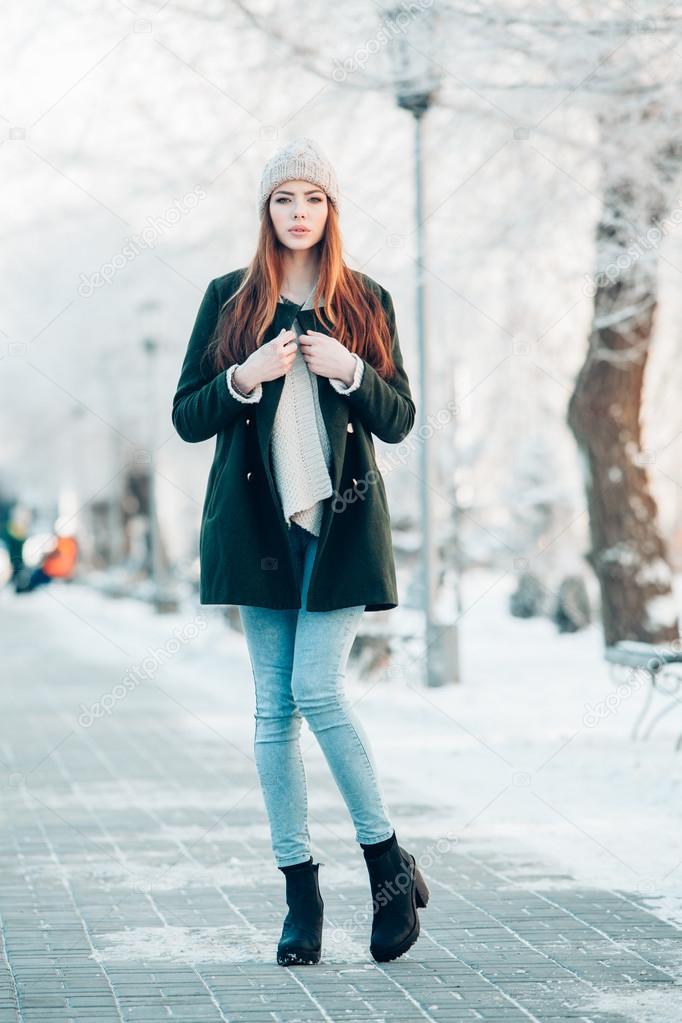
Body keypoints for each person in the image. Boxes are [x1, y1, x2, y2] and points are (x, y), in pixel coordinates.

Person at [171, 136, 429, 966]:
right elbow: (187, 414)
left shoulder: (366, 300)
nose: (298, 213)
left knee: (317, 689)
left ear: (331, 209)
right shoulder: (229, 299)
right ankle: (300, 894)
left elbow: (398, 418)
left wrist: (352, 368)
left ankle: (387, 865)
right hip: (257, 529)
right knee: (271, 711)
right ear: (266, 211)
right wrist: (244, 375)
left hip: (342, 526)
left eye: (312, 198)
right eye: (284, 199)